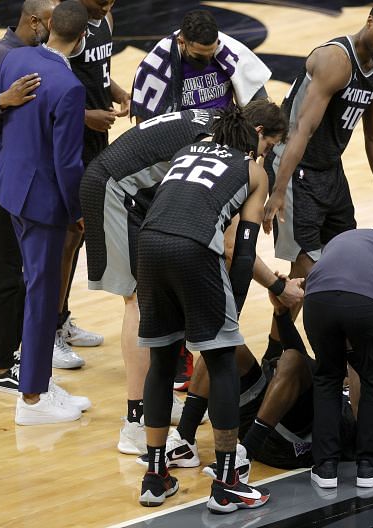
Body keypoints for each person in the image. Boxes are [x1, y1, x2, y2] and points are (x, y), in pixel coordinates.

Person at [79, 100, 302, 455]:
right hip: (117, 190)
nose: (265, 156)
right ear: (258, 133)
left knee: (160, 295)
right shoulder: (226, 149)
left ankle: (156, 408)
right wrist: (275, 286)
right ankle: (135, 422)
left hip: (131, 190)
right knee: (139, 299)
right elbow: (232, 247)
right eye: (269, 147)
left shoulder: (220, 125)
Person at [135, 108, 275, 512]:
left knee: (161, 362)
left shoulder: (188, 149)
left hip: (149, 244)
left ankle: (155, 476)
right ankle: (228, 481)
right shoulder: (253, 171)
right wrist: (232, 303)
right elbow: (243, 249)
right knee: (221, 361)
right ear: (254, 141)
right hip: (193, 248)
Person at [152, 290, 373, 480]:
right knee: (224, 348)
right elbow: (302, 363)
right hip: (269, 419)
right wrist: (281, 314)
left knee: (292, 359)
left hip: (295, 445)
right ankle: (185, 441)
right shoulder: (357, 374)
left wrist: (356, 357)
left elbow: (365, 418)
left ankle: (245, 456)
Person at [261, 0, 373, 361]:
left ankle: (283, 353)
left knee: (342, 258)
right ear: (370, 21)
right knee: (313, 272)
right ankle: (282, 354)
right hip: (293, 168)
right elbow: (301, 130)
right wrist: (277, 190)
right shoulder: (335, 61)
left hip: (330, 170)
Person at [0, 0, 92, 425]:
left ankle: (40, 381)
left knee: (36, 290)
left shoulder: (15, 58)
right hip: (43, 203)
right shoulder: (69, 87)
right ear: (81, 37)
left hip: (9, 187)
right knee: (43, 295)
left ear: (49, 27)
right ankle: (31, 398)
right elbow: (68, 163)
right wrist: (77, 211)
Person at [0, 0, 58, 395]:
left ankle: (17, 350)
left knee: (23, 271)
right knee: (5, 275)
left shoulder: (39, 54)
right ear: (34, 21)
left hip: (19, 179)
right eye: (52, 21)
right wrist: (5, 99)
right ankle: (1, 368)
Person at [46, 0, 132, 371]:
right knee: (66, 237)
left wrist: (116, 91)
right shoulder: (61, 23)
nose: (107, 6)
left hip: (97, 141)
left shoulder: (104, 18)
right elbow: (45, 85)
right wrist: (85, 116)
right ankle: (45, 332)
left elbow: (99, 66)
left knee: (79, 235)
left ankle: (61, 318)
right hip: (69, 139)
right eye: (101, 1)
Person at [303, 221, 373, 489]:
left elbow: (322, 275)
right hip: (365, 304)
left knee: (327, 378)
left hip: (316, 301)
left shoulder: (344, 236)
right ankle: (368, 466)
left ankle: (325, 468)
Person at [131, 9, 271, 121]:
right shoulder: (156, 65)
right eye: (200, 56)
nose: (208, 59)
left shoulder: (229, 50)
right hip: (182, 139)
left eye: (212, 52)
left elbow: (259, 101)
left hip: (227, 130)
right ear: (181, 42)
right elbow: (143, 124)